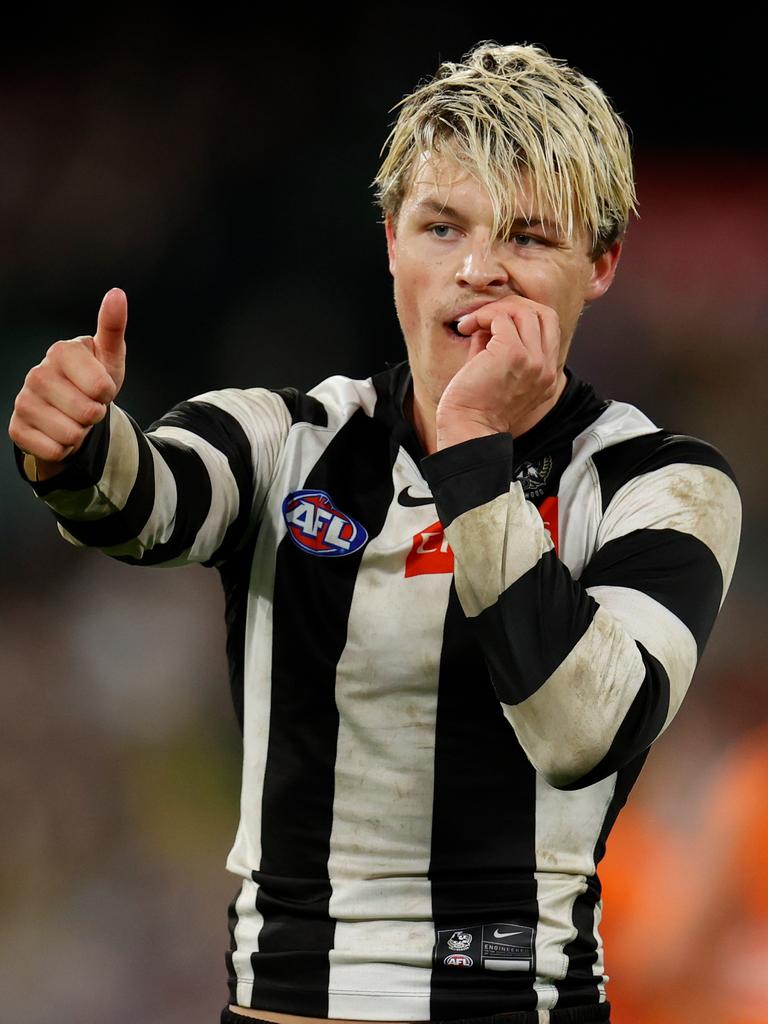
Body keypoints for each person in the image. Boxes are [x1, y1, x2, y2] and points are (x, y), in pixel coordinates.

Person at [8, 41, 741, 1024]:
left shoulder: (661, 482)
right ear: (392, 240)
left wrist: (475, 450)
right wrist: (80, 450)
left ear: (601, 262)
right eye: (443, 227)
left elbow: (581, 730)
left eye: (529, 237)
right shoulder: (291, 439)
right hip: (289, 1006)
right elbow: (151, 497)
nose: (479, 271)